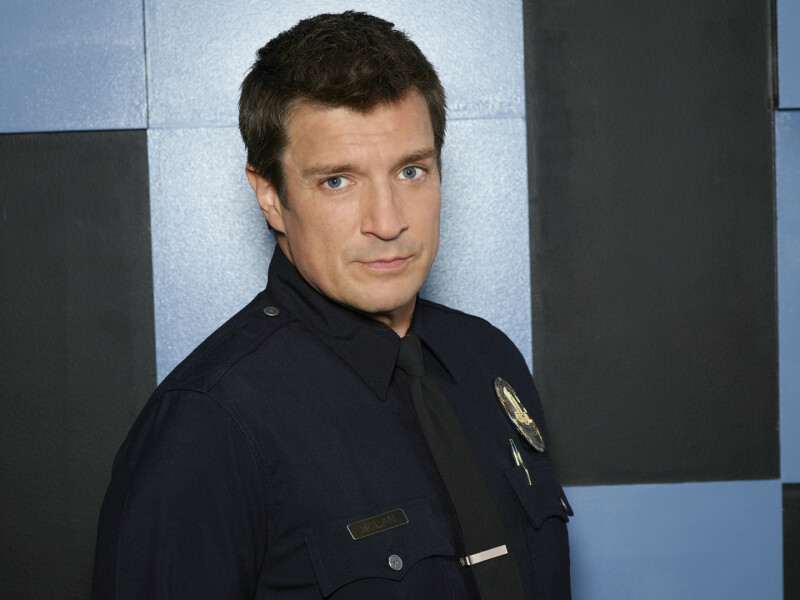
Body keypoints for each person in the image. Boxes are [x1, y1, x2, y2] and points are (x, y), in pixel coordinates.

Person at [92, 11, 571, 599]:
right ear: (270, 195)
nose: (388, 222)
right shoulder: (209, 427)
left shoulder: (487, 358)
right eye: (337, 181)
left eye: (411, 171)